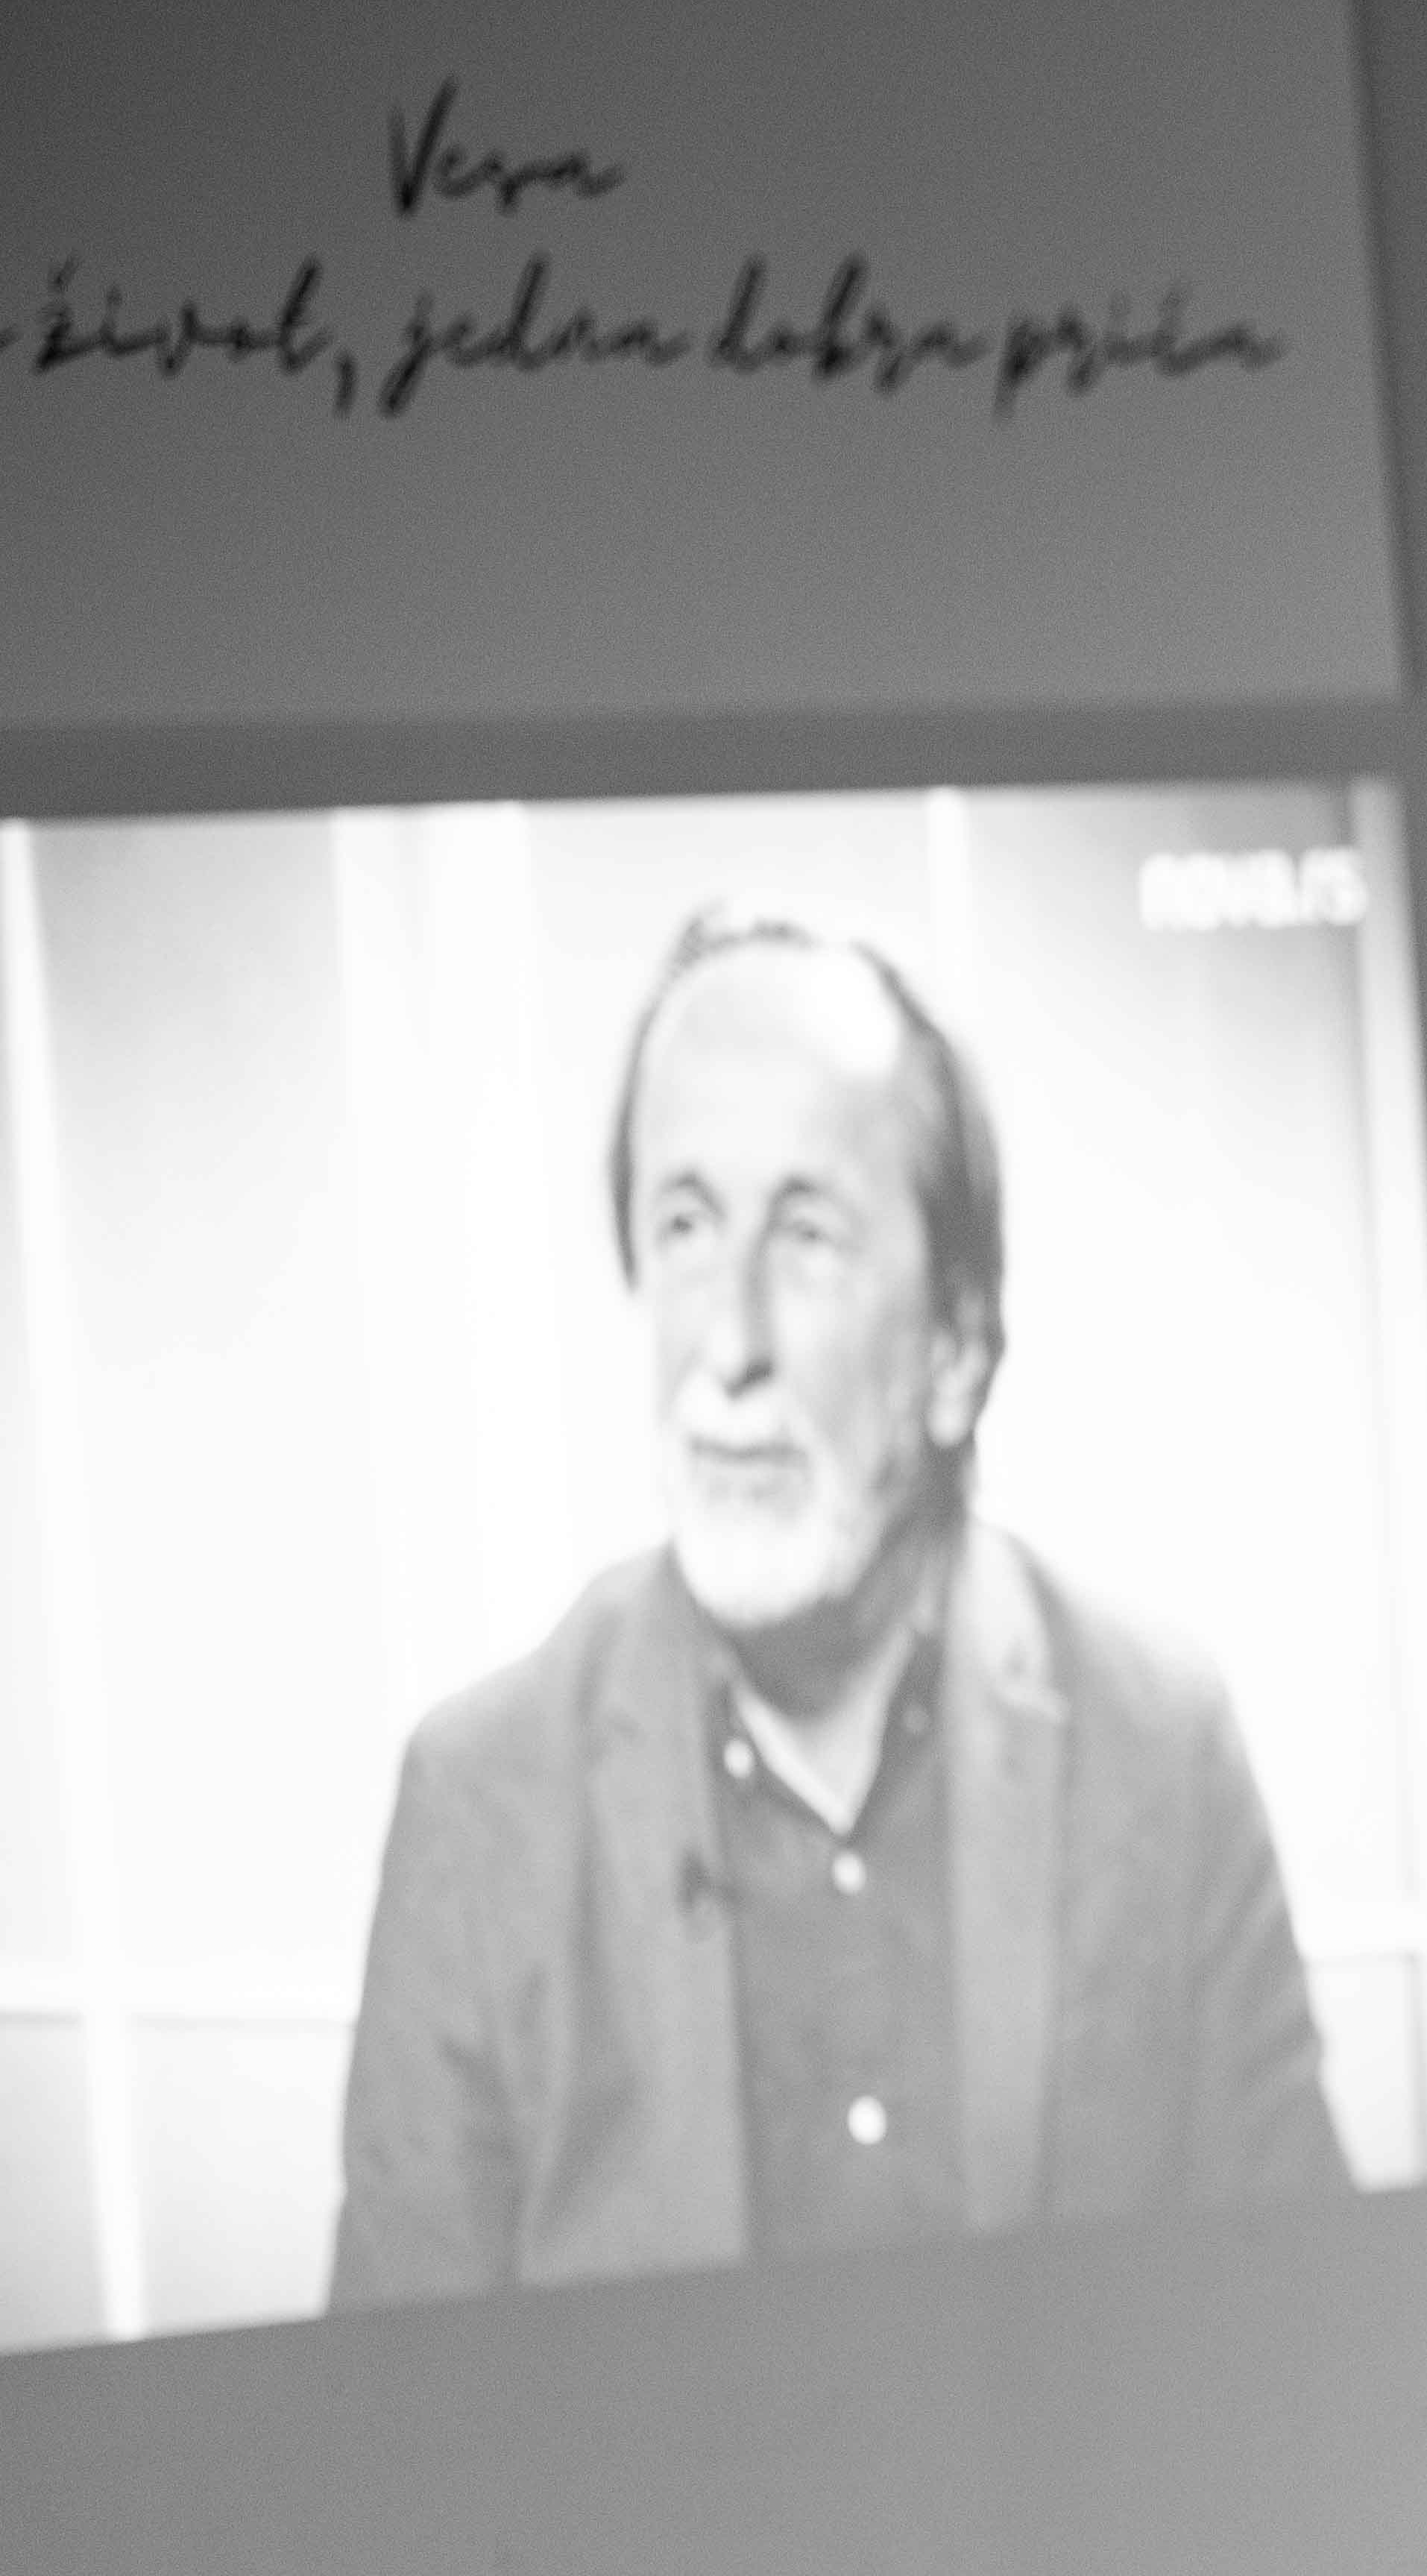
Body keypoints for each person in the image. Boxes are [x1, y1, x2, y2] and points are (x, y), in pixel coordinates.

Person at [334, 911, 1344, 2308]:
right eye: (684, 1227)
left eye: (807, 1237)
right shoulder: (482, 1799)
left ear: (955, 1352)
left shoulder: (1157, 1743)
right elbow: (381, 2452)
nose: (727, 1344)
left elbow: (1315, 2353)